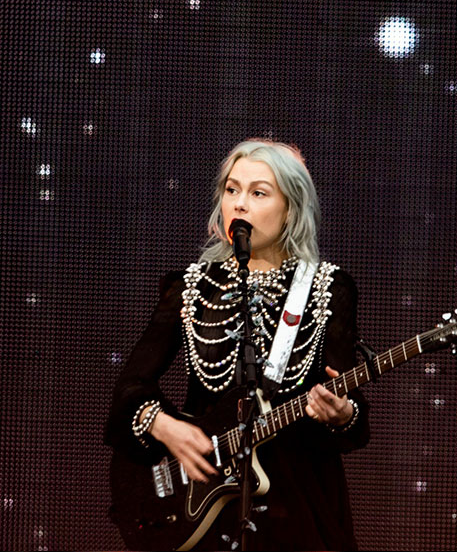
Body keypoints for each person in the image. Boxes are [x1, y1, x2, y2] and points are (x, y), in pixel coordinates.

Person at [105, 139, 369, 551]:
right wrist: (164, 426)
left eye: (258, 193)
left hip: (298, 503)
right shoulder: (192, 286)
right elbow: (128, 390)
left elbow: (347, 409)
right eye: (232, 190)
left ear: (291, 209)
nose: (240, 205)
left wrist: (342, 414)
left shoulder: (326, 289)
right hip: (204, 504)